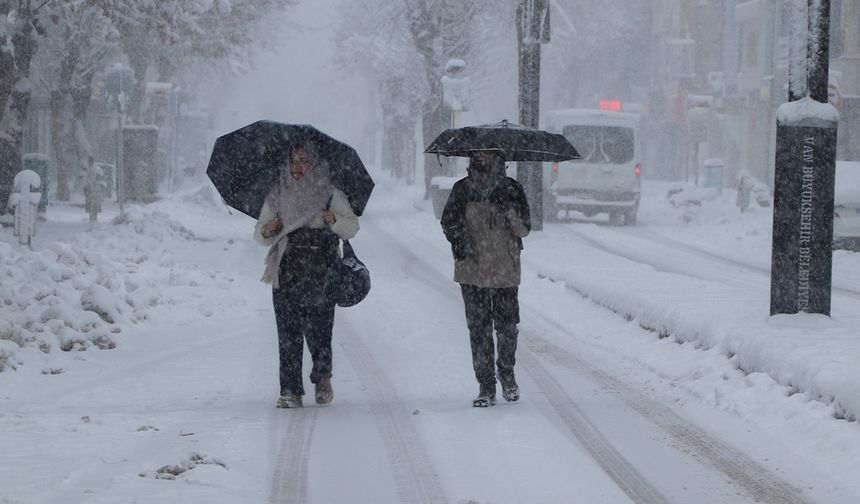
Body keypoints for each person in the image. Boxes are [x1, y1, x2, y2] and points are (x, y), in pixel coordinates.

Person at [255, 143, 359, 408]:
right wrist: (269, 229)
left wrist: (333, 219)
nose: (298, 167)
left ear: (315, 164)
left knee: (319, 330)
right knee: (287, 332)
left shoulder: (329, 192)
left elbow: (352, 227)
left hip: (321, 269)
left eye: (304, 161)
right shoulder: (277, 194)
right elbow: (260, 235)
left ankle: (322, 376)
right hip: (287, 268)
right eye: (293, 161)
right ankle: (290, 390)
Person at [440, 150, 531, 407]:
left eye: (486, 153)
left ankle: (507, 372)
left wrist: (508, 209)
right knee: (478, 329)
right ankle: (486, 384)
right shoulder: (462, 189)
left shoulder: (513, 189)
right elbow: (448, 222)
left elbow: (524, 229)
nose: (479, 157)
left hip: (505, 269)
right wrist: (460, 242)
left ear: (497, 157)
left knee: (507, 327)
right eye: (476, 153)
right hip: (472, 269)